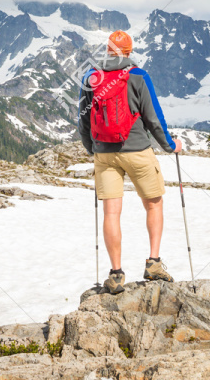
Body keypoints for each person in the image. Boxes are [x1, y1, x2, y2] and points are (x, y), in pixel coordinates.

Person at [78, 30, 182, 294]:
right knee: (154, 203)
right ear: (128, 51)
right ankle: (154, 263)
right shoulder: (138, 75)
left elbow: (83, 119)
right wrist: (170, 145)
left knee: (112, 213)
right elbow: (153, 118)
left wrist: (93, 148)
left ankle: (115, 275)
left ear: (108, 50)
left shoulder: (91, 77)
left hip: (104, 153)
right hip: (136, 150)